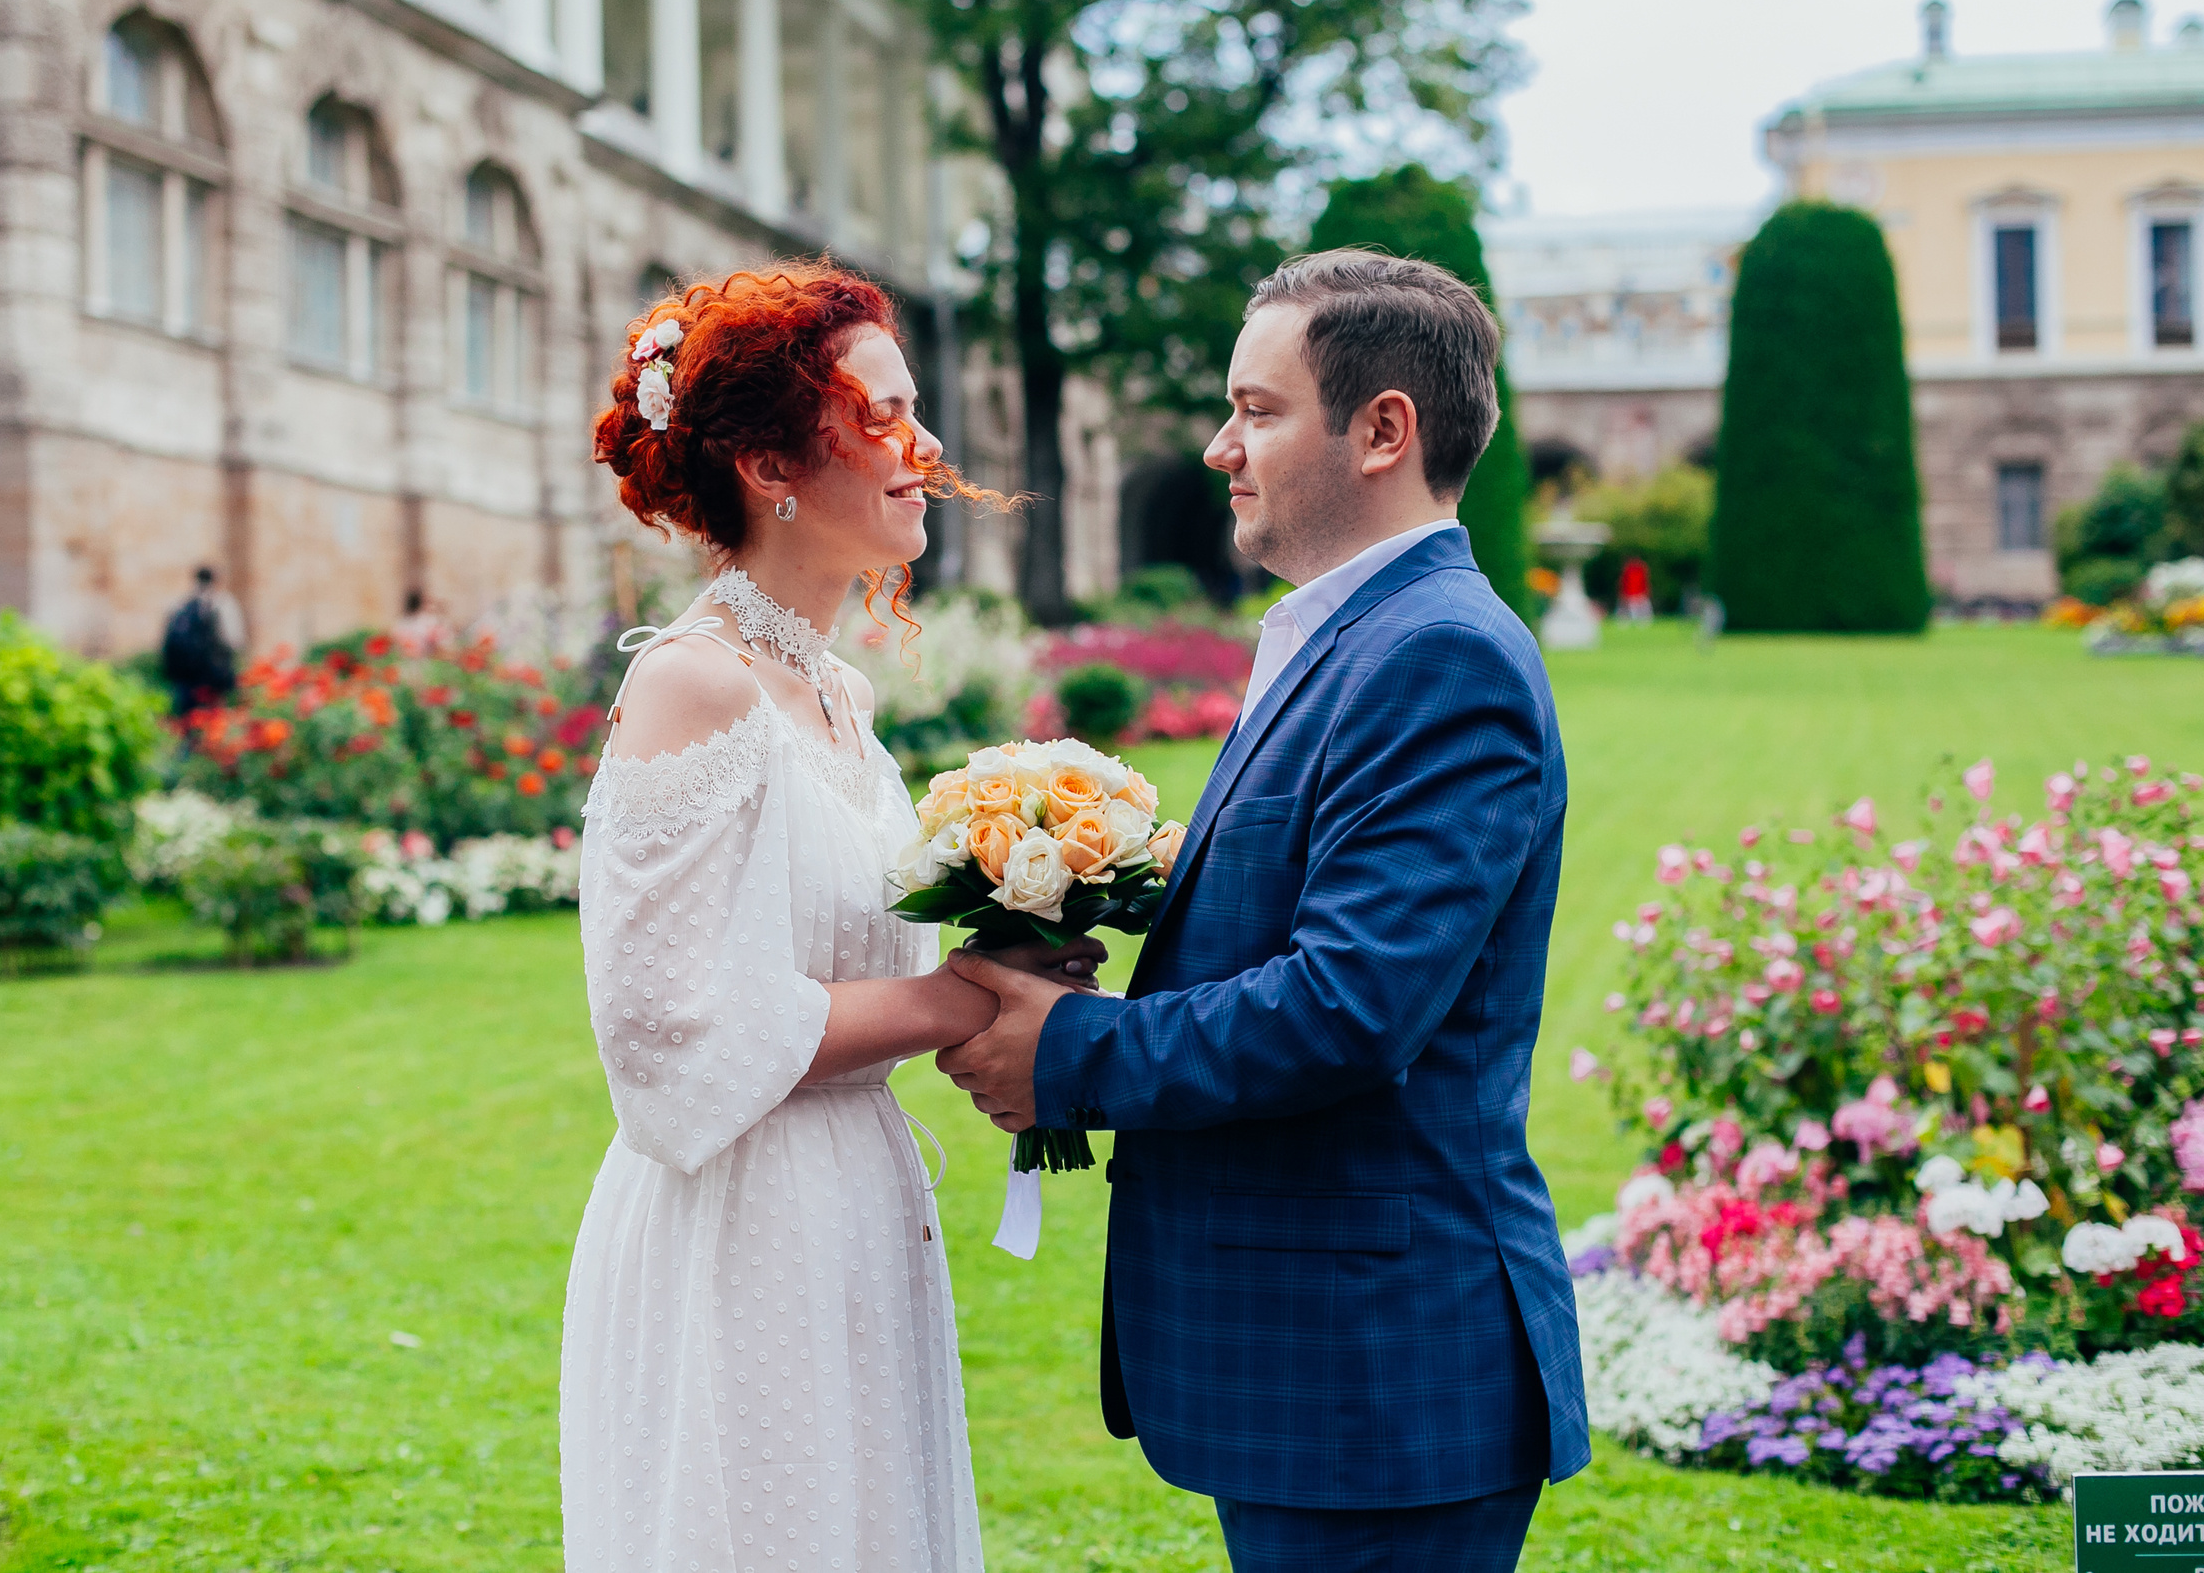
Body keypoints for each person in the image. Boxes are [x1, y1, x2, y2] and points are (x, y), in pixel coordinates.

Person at [940, 249, 1591, 1573]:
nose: (1220, 445)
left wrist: (1064, 1050)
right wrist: (1083, 887)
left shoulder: (1440, 654)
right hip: (1333, 1362)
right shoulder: (1355, 630)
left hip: (1381, 1369)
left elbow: (1349, 1007)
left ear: (1382, 430)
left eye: (1259, 407)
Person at [558, 264, 1098, 1573]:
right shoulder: (694, 684)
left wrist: (1022, 935)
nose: (925, 450)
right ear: (766, 461)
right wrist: (976, 994)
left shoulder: (835, 691)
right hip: (740, 1222)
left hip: (853, 1203)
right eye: (885, 415)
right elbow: (669, 1036)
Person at [160, 566, 244, 719]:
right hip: (213, 675)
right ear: (215, 580)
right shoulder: (222, 603)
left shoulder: (179, 604)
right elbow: (234, 641)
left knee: (188, 720)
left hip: (185, 676)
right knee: (213, 722)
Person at [1619, 554, 1654, 625]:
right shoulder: (1628, 570)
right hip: (1631, 594)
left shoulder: (1641, 569)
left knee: (1643, 607)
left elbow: (1644, 582)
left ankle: (1643, 621)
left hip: (1639, 594)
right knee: (1629, 609)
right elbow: (1624, 583)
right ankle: (1626, 621)